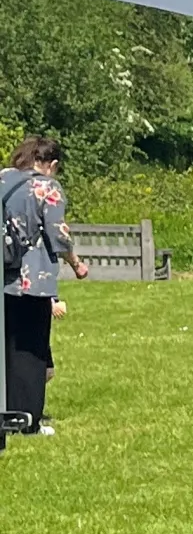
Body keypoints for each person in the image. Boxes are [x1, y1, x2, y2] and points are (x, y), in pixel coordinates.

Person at [2, 135, 88, 438]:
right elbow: (58, 235)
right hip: (30, 278)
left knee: (4, 346)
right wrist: (76, 263)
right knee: (29, 349)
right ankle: (26, 419)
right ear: (51, 164)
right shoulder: (46, 187)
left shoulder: (3, 178)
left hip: (2, 275)